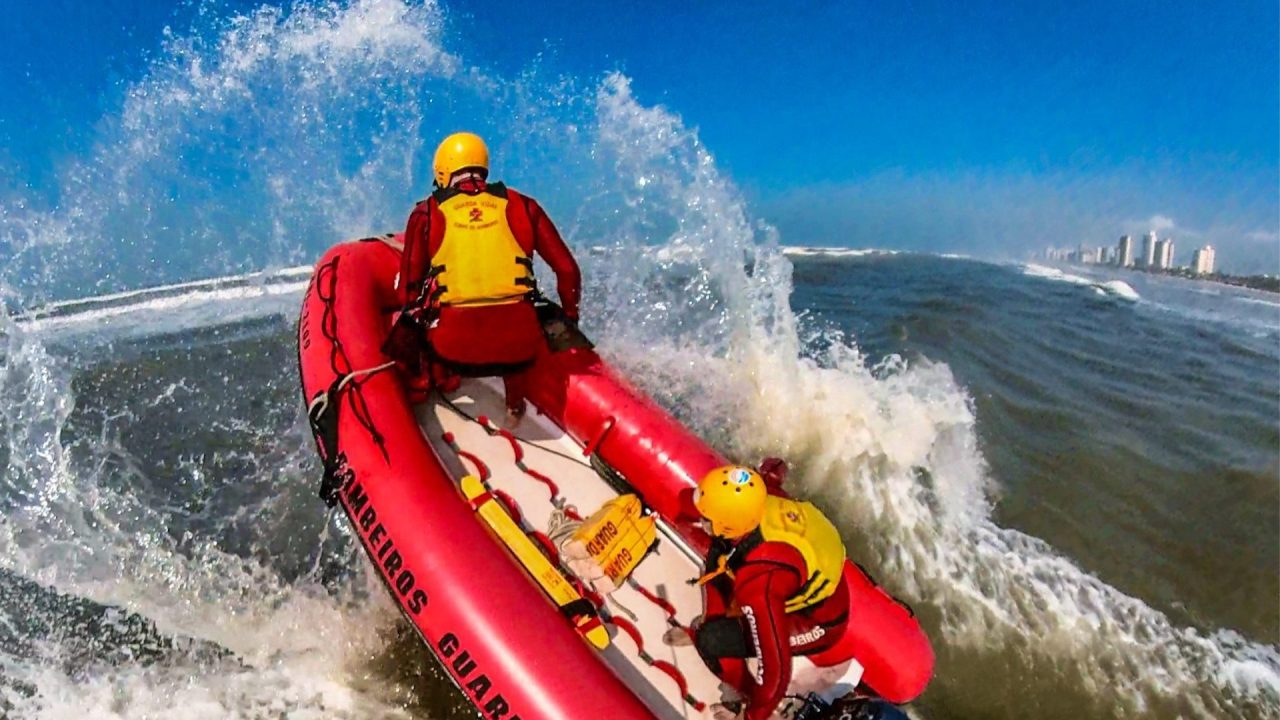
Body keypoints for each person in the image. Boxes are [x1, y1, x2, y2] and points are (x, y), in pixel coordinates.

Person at [680, 463, 933, 720]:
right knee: (718, 556)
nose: (702, 520)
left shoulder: (761, 582)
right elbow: (772, 474)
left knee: (711, 640)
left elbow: (775, 671)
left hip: (815, 622)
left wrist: (754, 715)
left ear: (729, 523)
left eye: (707, 518)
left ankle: (742, 697)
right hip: (815, 584)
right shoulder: (764, 500)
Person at [397, 132, 581, 418]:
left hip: (452, 348)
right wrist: (570, 317)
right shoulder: (525, 205)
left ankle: (433, 382)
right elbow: (568, 271)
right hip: (519, 349)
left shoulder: (426, 213)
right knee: (520, 310)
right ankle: (514, 406)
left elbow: (408, 291)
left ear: (443, 171)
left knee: (420, 310)